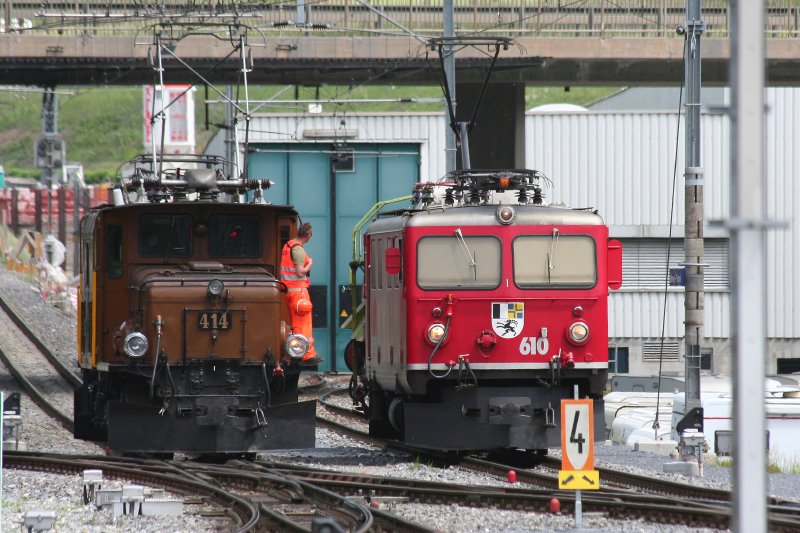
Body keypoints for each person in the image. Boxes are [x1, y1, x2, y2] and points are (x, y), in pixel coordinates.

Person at [280, 222, 323, 366]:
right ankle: (306, 354)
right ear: (308, 235)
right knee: (303, 324)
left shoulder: (288, 246)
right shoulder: (297, 249)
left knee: (295, 324)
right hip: (299, 292)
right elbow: (300, 272)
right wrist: (309, 263)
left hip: (289, 291)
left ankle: (294, 353)